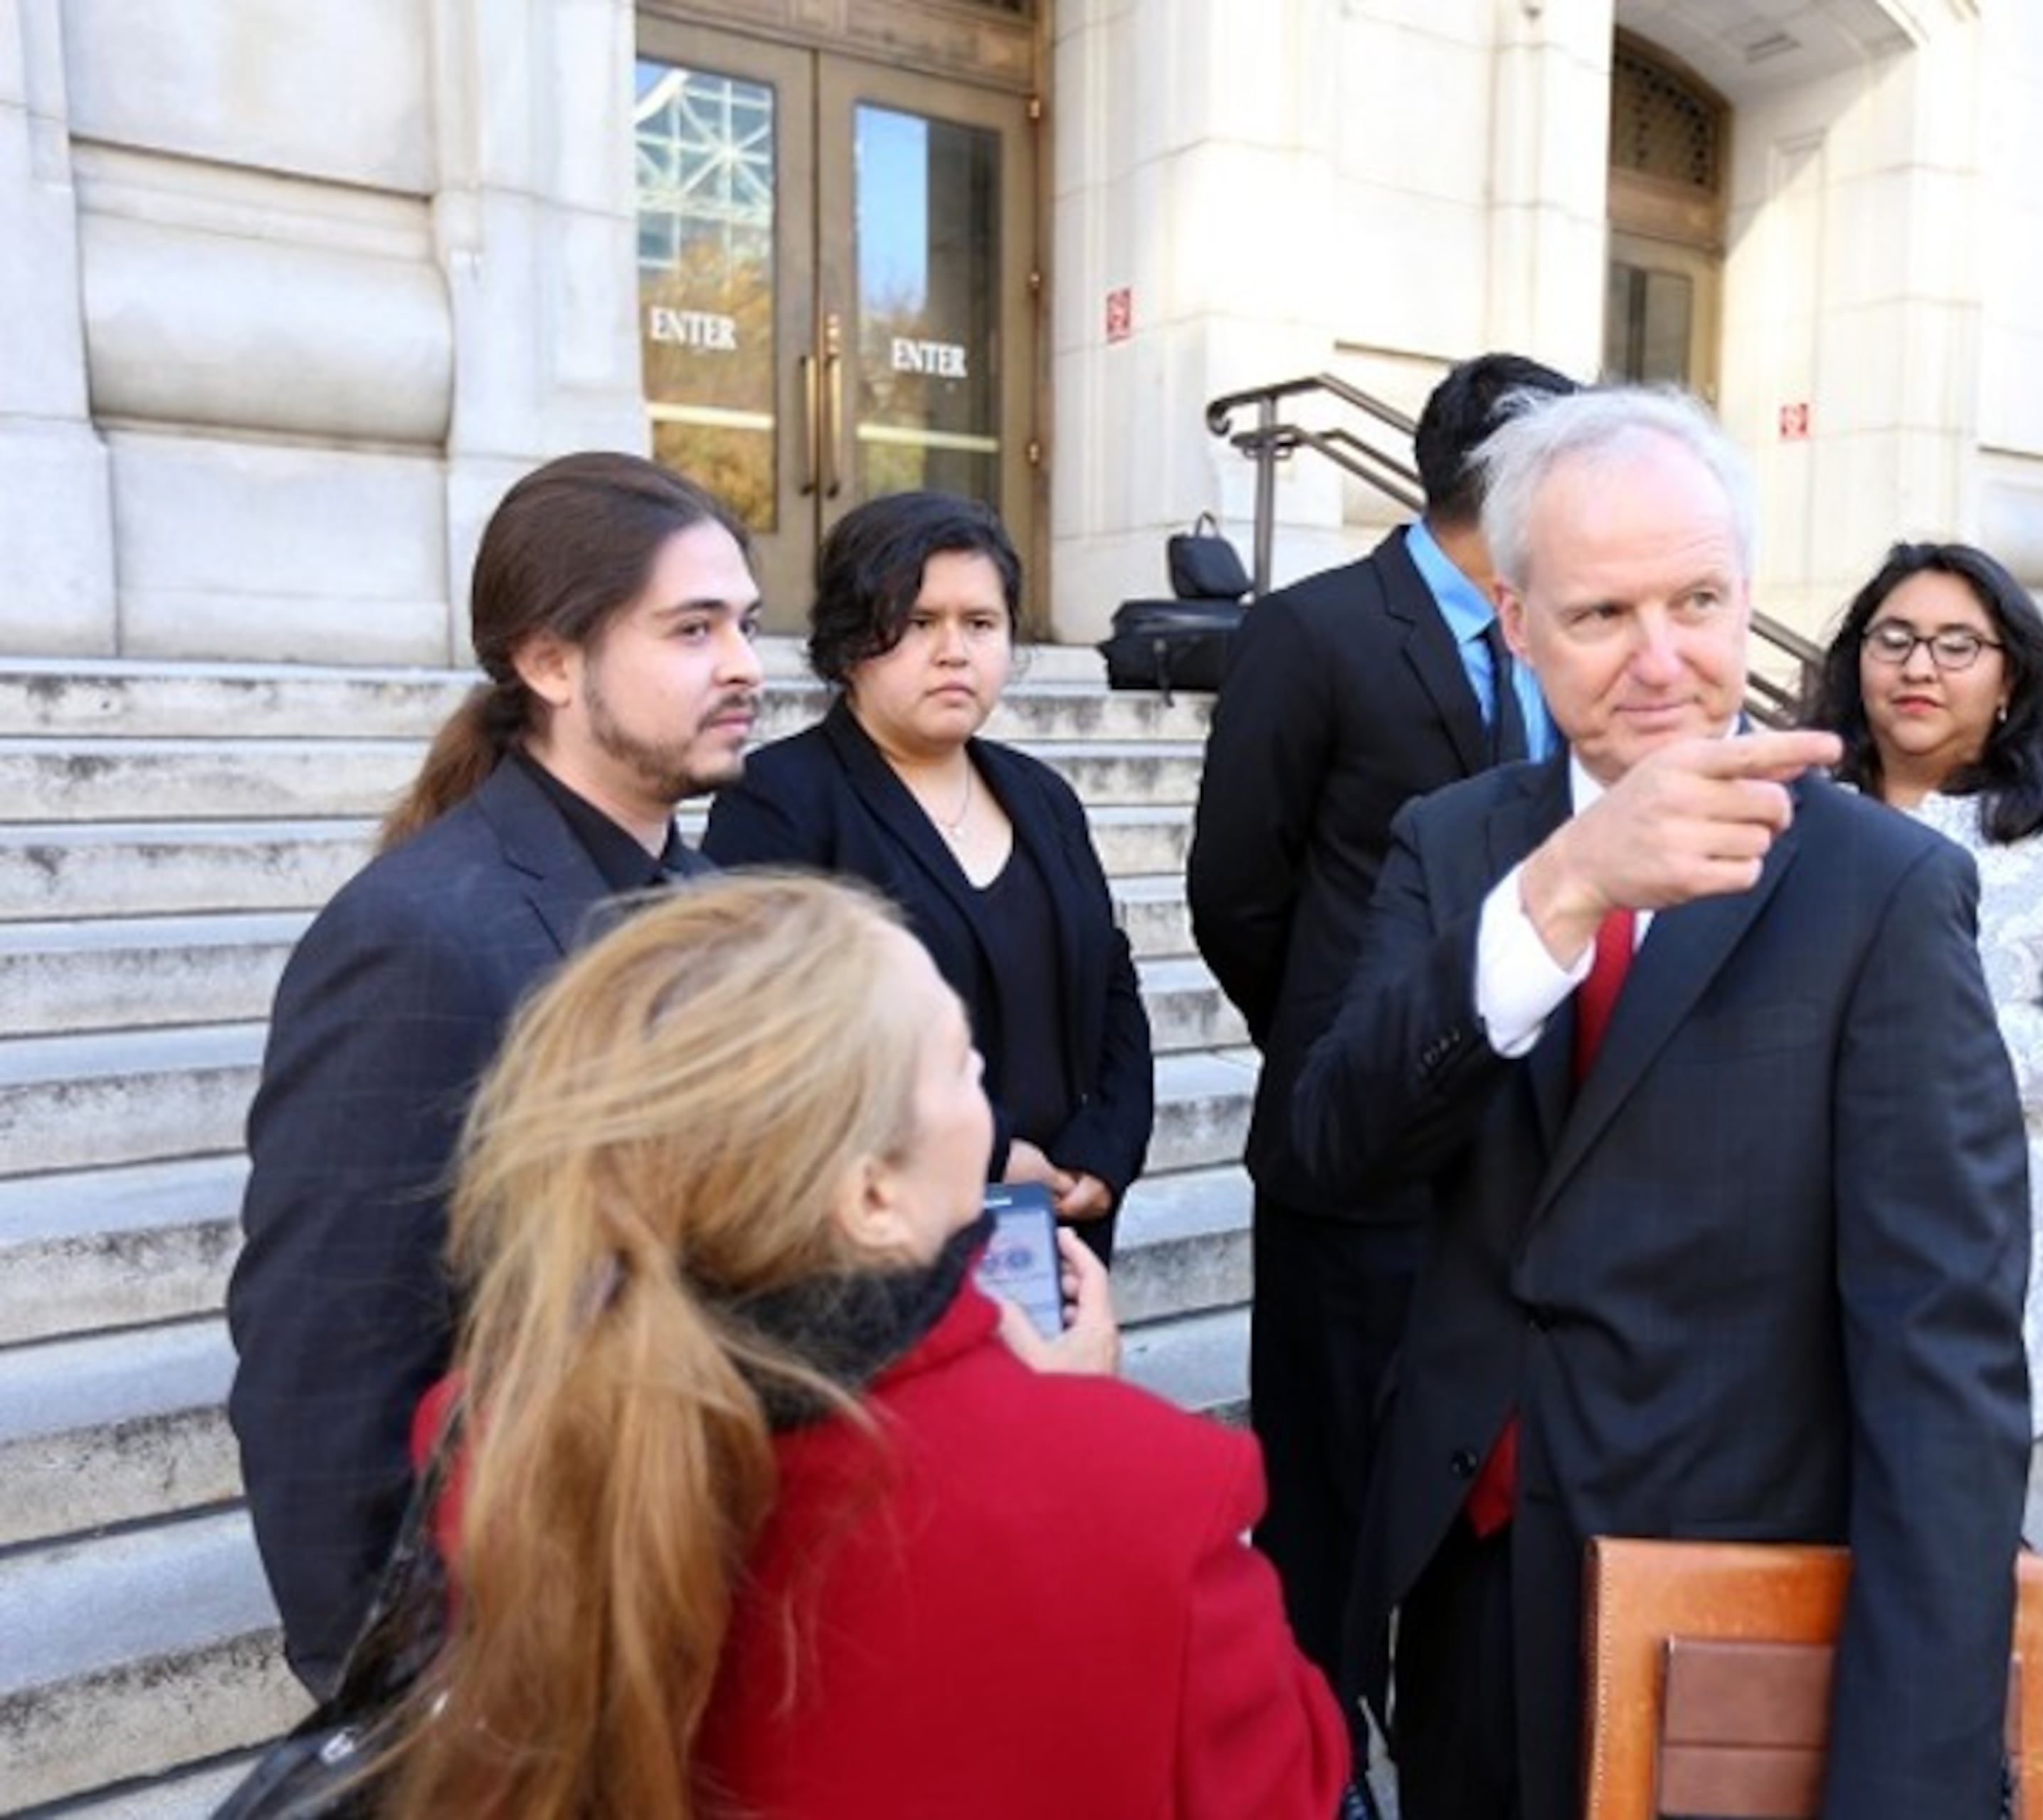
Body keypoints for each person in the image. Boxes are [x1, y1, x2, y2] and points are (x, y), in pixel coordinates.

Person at [1292, 387, 2034, 1820]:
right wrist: (1559, 897)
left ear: (1749, 593)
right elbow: (1334, 1145)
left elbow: (1942, 1362)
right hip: (1467, 1585)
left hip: (1731, 1601)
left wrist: (1908, 1778)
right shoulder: (1459, 846)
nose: (1661, 660)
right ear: (1513, 619)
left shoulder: (1879, 889)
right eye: (1600, 614)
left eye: (1698, 599)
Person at [370, 874, 1348, 1818]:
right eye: (965, 1067)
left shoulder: (496, 1435)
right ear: (874, 1194)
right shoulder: (1145, 1498)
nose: (989, 1102)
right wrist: (1064, 1422)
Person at [226, 452, 764, 1695]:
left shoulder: (709, 903)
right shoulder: (416, 935)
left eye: (743, 620)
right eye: (692, 628)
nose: (743, 663)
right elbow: (325, 1368)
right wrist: (403, 1699)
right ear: (552, 661)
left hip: (694, 1612)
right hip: (519, 1660)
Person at [1187, 351, 1577, 1689]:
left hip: (1516, 1152)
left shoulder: (1559, 633)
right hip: (1350, 1159)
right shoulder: (1315, 629)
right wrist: (1338, 1051)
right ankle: (1317, 1739)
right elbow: (1237, 890)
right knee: (1330, 1483)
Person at [706, 492, 1150, 1261]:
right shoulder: (780, 799)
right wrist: (995, 1151)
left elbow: (1110, 981)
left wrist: (1107, 1149)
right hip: (884, 1243)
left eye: (980, 623)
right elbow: (781, 1043)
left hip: (1064, 1220)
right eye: (918, 623)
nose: (955, 651)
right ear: (849, 644)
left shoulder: (1044, 797)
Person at [1805, 541, 2043, 1452]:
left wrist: (1924, 1041)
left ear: (2010, 675)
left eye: (1956, 644)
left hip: (1969, 1224)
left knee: (1935, 1482)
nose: (1919, 665)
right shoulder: (1796, 804)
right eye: (1893, 638)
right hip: (1786, 1207)